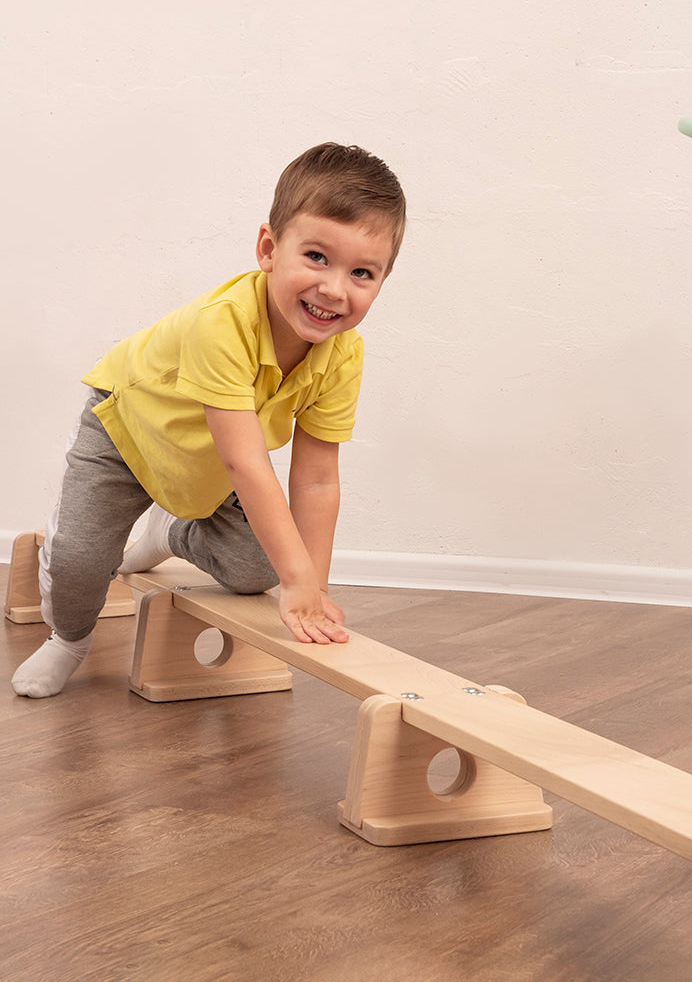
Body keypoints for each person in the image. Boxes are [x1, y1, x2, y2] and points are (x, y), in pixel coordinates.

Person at [12, 143, 406, 698]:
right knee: (82, 562)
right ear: (268, 249)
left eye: (361, 272)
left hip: (211, 463)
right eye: (317, 257)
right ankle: (68, 640)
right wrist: (297, 579)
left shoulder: (343, 355)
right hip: (128, 433)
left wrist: (311, 587)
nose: (334, 289)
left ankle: (171, 532)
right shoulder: (222, 324)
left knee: (257, 571)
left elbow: (317, 478)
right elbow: (246, 463)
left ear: (383, 281)